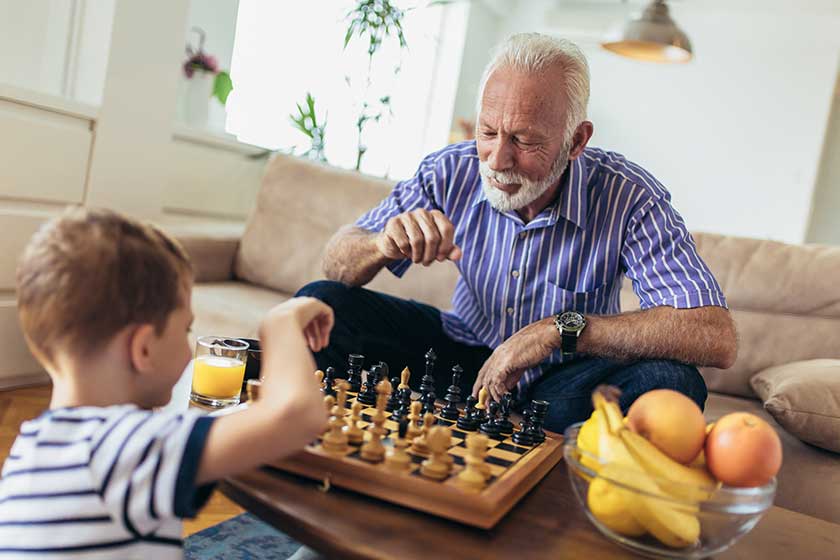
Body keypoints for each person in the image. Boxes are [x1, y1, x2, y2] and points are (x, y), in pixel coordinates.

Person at [297, 33, 737, 432]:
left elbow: (715, 336)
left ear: (576, 141)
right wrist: (380, 244)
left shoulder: (630, 197)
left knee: (672, 384)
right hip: (460, 352)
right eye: (489, 132)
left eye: (524, 142)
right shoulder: (450, 169)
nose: (497, 159)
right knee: (320, 304)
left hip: (564, 376)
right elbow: (337, 264)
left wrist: (558, 331)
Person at [1, 207, 331, 558]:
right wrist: (280, 323)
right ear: (143, 348)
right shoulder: (125, 449)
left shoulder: (36, 447)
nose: (190, 348)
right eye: (186, 329)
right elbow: (301, 415)